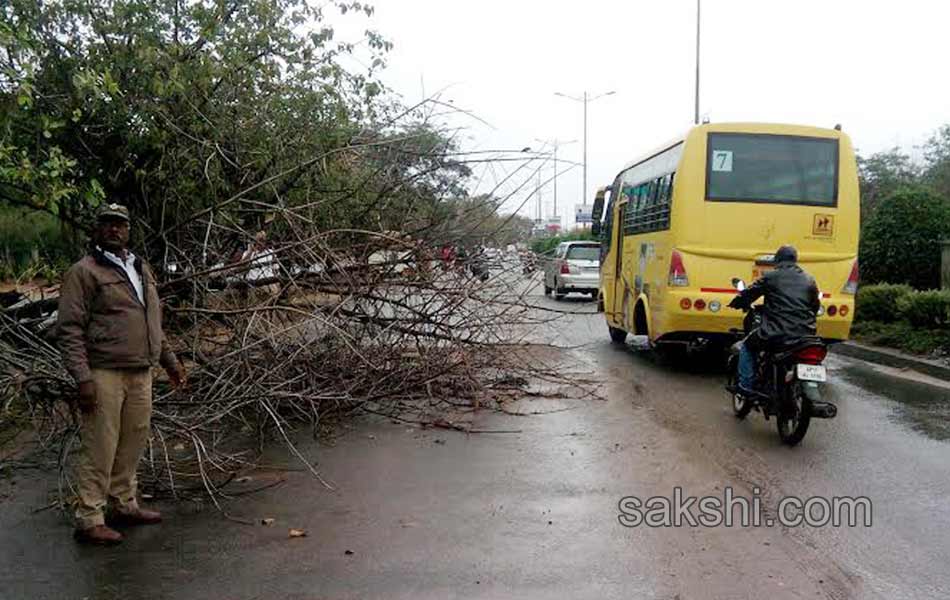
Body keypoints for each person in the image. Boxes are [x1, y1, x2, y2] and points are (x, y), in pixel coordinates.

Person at [57, 203, 186, 545]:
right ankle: (89, 517)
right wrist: (83, 378)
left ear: (129, 230)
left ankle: (123, 504)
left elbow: (152, 322)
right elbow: (69, 329)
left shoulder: (139, 268)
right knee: (101, 445)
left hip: (140, 371)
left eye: (121, 225)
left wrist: (169, 361)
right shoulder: (83, 272)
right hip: (104, 372)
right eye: (108, 224)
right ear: (96, 229)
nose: (115, 229)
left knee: (133, 440)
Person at [728, 245, 820, 396]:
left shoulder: (771, 276)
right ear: (795, 260)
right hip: (805, 335)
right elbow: (815, 306)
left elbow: (750, 293)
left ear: (777, 260)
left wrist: (737, 302)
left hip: (775, 332)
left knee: (746, 347)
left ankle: (745, 386)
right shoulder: (809, 279)